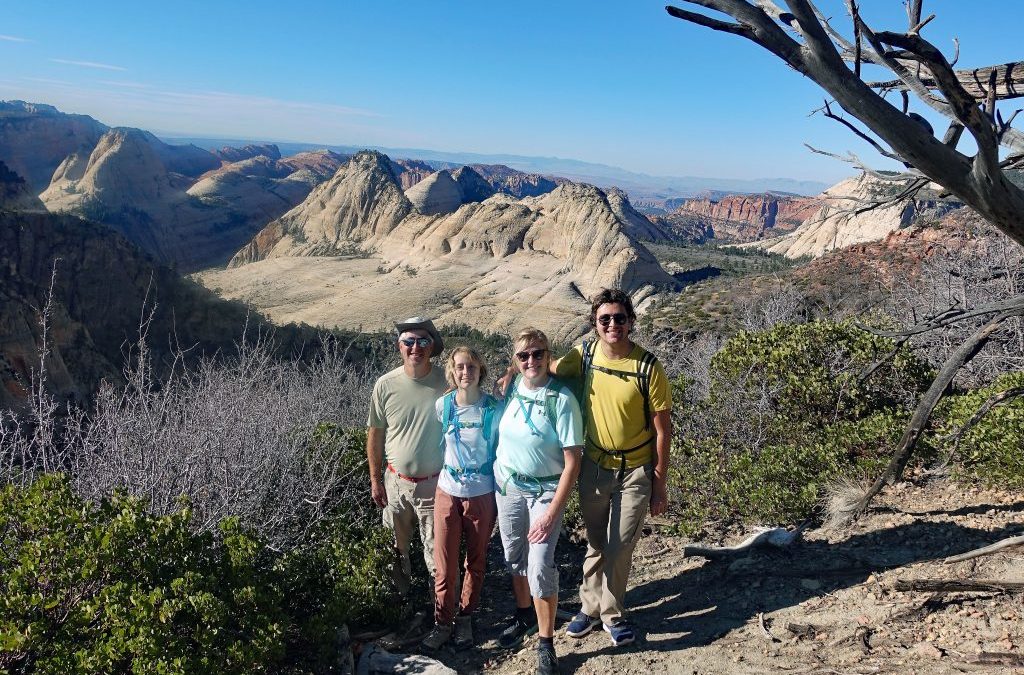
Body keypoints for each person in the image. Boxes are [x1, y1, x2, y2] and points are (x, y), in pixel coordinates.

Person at [555, 289, 672, 647]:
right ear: (595, 324)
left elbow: (663, 429)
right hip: (594, 464)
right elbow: (545, 367)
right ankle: (589, 608)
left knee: (619, 545)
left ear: (631, 321)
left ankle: (613, 613)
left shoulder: (647, 366)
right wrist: (513, 371)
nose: (612, 325)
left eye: (619, 318)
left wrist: (659, 481)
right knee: (595, 542)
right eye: (605, 319)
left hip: (635, 470)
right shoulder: (585, 355)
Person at [494, 328, 582, 675]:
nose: (531, 361)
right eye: (523, 355)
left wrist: (550, 515)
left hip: (544, 491)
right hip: (509, 485)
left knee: (540, 563)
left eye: (538, 354)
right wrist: (511, 370)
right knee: (514, 555)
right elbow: (517, 372)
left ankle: (546, 642)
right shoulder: (514, 384)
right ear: (515, 360)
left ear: (549, 356)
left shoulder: (561, 400)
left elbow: (572, 462)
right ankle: (524, 615)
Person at [420, 347, 501, 650]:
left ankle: (465, 618)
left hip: (481, 493)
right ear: (451, 371)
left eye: (471, 367)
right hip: (447, 492)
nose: (465, 372)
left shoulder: (493, 408)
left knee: (476, 561)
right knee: (444, 564)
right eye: (459, 367)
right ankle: (442, 623)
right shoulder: (444, 406)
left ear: (481, 370)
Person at [367, 316, 448, 612]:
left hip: (435, 484)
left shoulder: (446, 381)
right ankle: (400, 608)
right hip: (395, 484)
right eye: (409, 342)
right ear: (399, 347)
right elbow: (375, 434)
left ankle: (439, 613)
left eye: (423, 341)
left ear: (432, 347)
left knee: (436, 553)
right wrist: (375, 479)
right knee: (394, 550)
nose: (416, 347)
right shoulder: (385, 385)